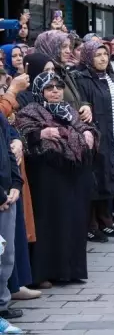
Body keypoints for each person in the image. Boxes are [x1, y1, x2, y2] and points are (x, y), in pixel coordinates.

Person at [16, 72, 98, 287]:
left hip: (74, 174)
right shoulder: (30, 111)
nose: (55, 91)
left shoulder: (70, 110)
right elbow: (24, 135)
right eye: (49, 88)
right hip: (47, 176)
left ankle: (71, 270)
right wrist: (40, 135)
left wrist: (88, 132)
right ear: (39, 91)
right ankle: (45, 273)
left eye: (59, 87)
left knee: (73, 220)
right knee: (49, 223)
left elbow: (85, 129)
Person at [73, 41, 114, 243]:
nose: (103, 58)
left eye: (105, 54)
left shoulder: (111, 77)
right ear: (88, 57)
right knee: (96, 178)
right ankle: (91, 225)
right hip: (97, 135)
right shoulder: (82, 79)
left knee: (109, 176)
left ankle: (106, 221)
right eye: (98, 55)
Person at [33, 31, 92, 124]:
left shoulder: (64, 72)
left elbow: (75, 100)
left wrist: (85, 106)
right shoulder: (44, 75)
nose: (69, 51)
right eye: (63, 47)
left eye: (69, 47)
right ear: (50, 47)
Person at [0, 109, 23, 321]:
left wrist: (16, 182)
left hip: (8, 194)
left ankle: (2, 304)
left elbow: (8, 149)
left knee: (6, 254)